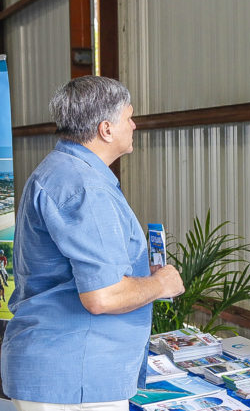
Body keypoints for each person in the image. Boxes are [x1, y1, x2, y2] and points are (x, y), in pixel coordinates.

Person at [1, 76, 185, 410]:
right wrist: (161, 283)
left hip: (62, 368)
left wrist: (137, 274)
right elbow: (102, 296)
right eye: (129, 117)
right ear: (106, 129)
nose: (134, 125)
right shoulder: (86, 186)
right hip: (75, 375)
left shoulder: (60, 170)